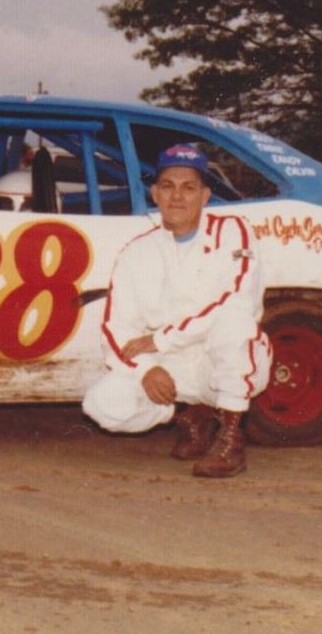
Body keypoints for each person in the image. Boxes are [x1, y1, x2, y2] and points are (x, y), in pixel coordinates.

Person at [82, 144, 272, 478]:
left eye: (189, 187)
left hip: (225, 363)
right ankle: (188, 414)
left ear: (206, 195)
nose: (177, 197)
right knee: (102, 404)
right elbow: (116, 327)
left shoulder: (233, 231)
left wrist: (162, 340)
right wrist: (146, 371)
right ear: (154, 194)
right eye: (168, 186)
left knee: (233, 320)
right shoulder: (136, 252)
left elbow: (238, 299)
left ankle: (230, 437)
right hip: (173, 365)